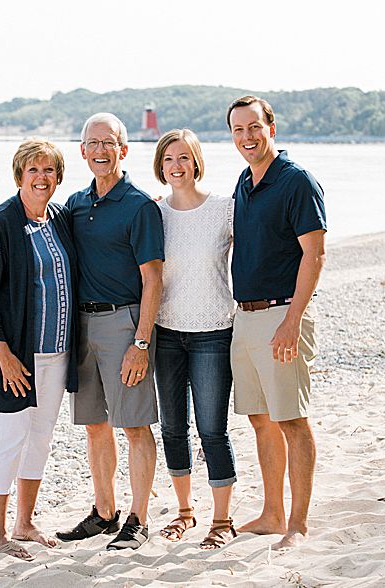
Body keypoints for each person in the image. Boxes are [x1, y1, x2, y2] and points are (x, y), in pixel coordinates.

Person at [56, 113, 164, 551]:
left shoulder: (140, 206)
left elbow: (154, 280)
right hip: (81, 326)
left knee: (134, 425)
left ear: (123, 149)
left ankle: (138, 519)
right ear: (81, 151)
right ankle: (104, 512)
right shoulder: (75, 205)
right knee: (95, 425)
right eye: (92, 143)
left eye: (109, 143)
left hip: (124, 324)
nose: (100, 150)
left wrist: (140, 342)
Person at [0, 139, 79, 560]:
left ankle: (25, 521)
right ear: (20, 174)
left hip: (57, 352)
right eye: (33, 170)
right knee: (9, 436)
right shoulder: (0, 222)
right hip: (15, 356)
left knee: (41, 436)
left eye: (49, 170)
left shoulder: (58, 218)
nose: (41, 178)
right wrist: (4, 355)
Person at [225, 96, 326, 550]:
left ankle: (298, 525)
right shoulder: (243, 184)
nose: (246, 137)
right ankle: (271, 513)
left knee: (292, 421)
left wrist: (292, 320)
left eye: (253, 128)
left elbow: (315, 253)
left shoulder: (297, 181)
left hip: (282, 315)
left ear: (272, 127)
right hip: (244, 317)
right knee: (261, 420)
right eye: (237, 130)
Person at [148, 129, 239, 549]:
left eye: (184, 157)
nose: (176, 166)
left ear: (196, 160)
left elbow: (262, 251)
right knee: (172, 428)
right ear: (160, 166)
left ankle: (222, 520)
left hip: (213, 334)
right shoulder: (154, 213)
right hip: (166, 332)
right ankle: (185, 512)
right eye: (168, 159)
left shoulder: (224, 210)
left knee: (212, 430)